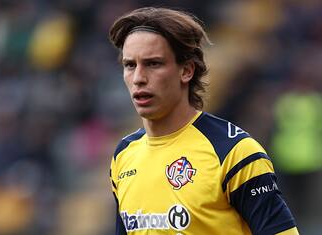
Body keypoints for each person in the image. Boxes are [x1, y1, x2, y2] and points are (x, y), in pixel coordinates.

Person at [108, 7, 299, 235]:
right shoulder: (124, 155)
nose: (138, 78)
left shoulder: (233, 152)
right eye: (130, 65)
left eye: (153, 64)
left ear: (186, 71)